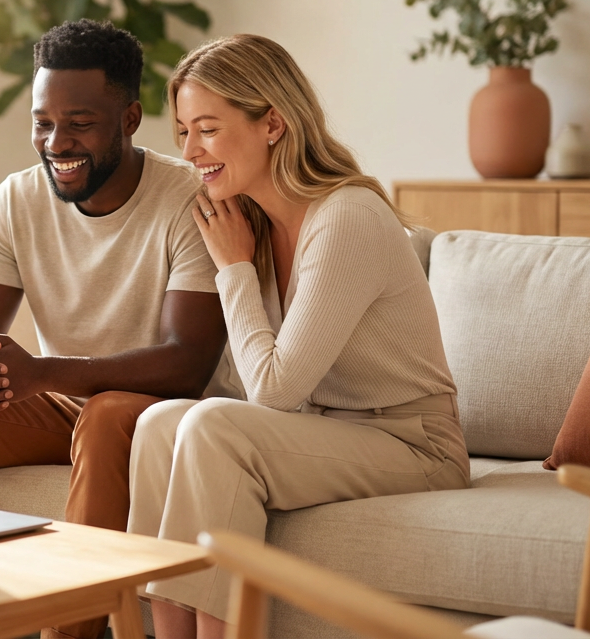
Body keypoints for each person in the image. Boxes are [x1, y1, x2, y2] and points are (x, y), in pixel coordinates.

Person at [0, 19, 239, 639]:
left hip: (157, 414)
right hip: (60, 405)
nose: (56, 141)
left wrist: (41, 374)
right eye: (42, 122)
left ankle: (70, 633)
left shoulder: (187, 201)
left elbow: (188, 361)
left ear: (128, 120)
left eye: (79, 123)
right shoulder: (17, 200)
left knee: (103, 416)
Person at [128, 34, 471, 639]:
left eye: (207, 128)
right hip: (328, 429)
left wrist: (233, 269)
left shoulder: (347, 216)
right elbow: (251, 378)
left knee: (213, 426)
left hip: (414, 443)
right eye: (182, 131)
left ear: (273, 123)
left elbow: (275, 391)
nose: (190, 151)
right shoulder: (249, 220)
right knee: (160, 424)